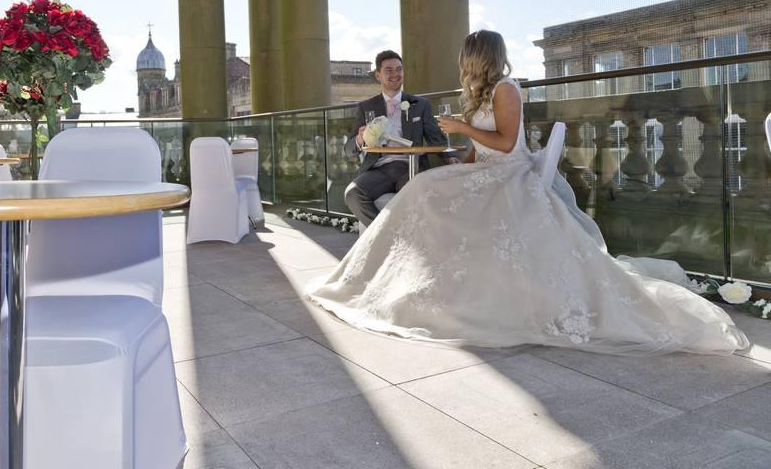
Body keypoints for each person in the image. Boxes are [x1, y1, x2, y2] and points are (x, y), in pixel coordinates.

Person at [308, 30, 749, 355]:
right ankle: (398, 280)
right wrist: (454, 163)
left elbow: (504, 142)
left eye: (465, 56)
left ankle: (432, 286)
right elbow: (480, 151)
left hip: (509, 175)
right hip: (485, 171)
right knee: (424, 186)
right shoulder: (480, 92)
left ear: (477, 57)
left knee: (424, 195)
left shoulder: (505, 89)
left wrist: (460, 128)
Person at [343, 50, 451, 228]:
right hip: (378, 169)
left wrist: (450, 157)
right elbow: (348, 150)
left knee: (414, 196)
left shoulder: (420, 104)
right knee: (352, 194)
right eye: (389, 70)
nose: (395, 74)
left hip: (411, 167)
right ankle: (383, 235)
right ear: (378, 75)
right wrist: (360, 139)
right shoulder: (366, 107)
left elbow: (436, 139)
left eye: (399, 69)